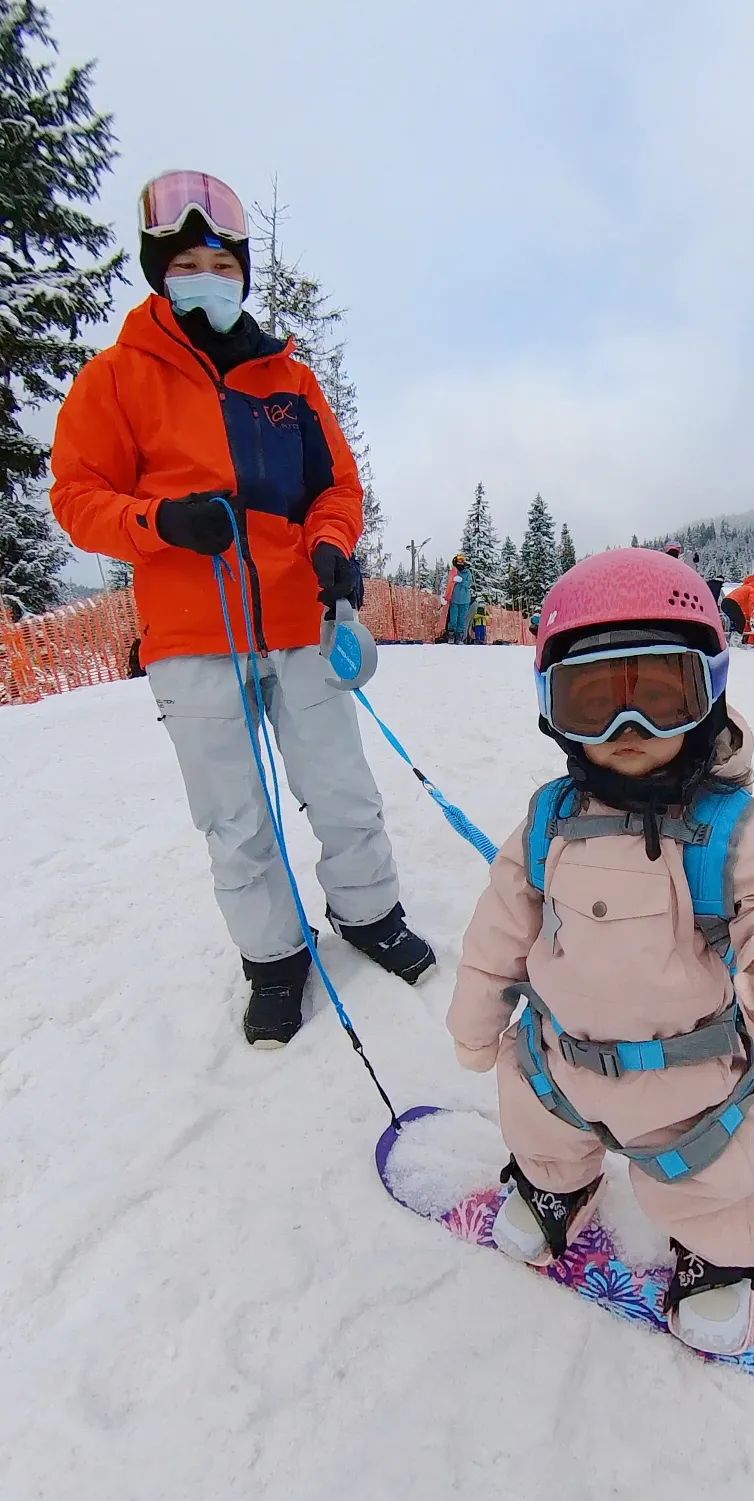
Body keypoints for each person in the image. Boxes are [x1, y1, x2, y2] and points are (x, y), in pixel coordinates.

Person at [50, 169, 434, 1047]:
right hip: (193, 636)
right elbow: (76, 497)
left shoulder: (288, 382)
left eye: (222, 264)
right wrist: (157, 521)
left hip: (300, 624)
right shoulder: (115, 379)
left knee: (342, 789)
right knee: (234, 814)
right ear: (159, 272)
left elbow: (337, 486)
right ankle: (272, 958)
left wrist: (332, 545)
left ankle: (369, 914)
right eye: (187, 262)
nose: (207, 278)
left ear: (243, 276)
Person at [446, 549, 754, 1356]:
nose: (627, 732)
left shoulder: (727, 830)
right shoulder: (549, 822)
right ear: (554, 711)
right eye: (594, 702)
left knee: (717, 1179)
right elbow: (498, 928)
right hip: (557, 1063)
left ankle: (716, 1260)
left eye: (660, 697)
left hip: (686, 1086)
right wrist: (475, 1018)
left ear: (708, 695)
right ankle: (554, 1190)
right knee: (540, 1127)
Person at [720, 572, 754, 644]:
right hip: (732, 603)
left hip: (726, 602)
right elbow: (751, 604)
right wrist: (752, 617)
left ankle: (733, 638)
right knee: (740, 621)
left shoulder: (745, 587)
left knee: (737, 621)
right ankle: (735, 641)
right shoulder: (752, 590)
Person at [446, 553, 474, 642]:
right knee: (453, 619)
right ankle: (451, 636)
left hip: (465, 600)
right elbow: (448, 584)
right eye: (459, 560)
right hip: (454, 599)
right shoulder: (453, 572)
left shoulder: (467, 572)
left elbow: (469, 584)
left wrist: (461, 580)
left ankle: (459, 637)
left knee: (461, 620)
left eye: (462, 560)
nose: (460, 562)